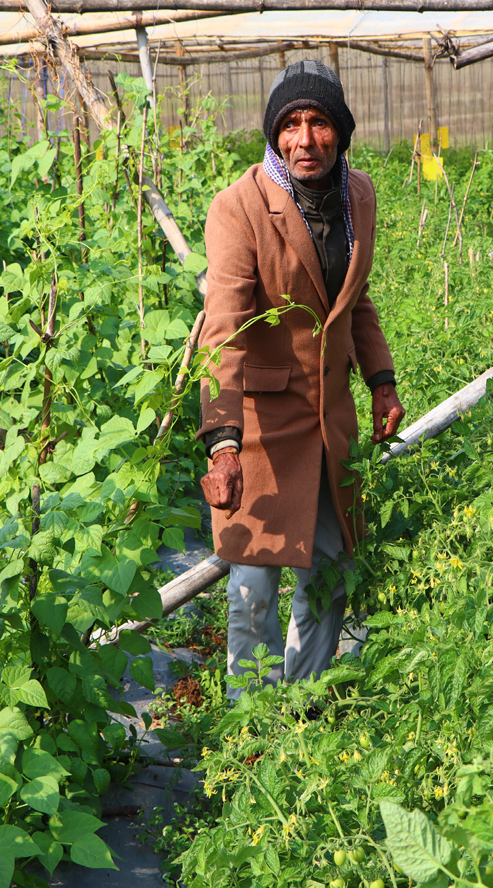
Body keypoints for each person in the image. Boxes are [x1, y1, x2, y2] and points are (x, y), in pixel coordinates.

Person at [196, 61, 406, 700]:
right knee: (253, 586)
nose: (305, 138)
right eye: (291, 124)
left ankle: (304, 706)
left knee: (331, 568)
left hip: (330, 418)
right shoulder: (240, 207)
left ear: (340, 133)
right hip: (260, 424)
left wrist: (381, 379)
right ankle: (250, 722)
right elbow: (222, 330)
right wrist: (222, 440)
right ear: (274, 134)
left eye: (319, 123)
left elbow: (354, 300)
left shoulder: (358, 196)